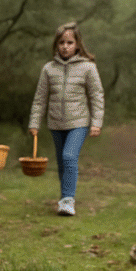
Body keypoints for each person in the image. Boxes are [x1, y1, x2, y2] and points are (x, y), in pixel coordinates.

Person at [28, 22, 104, 217]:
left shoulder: (88, 67)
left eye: (70, 42)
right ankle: (64, 198)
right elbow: (39, 99)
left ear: (77, 45)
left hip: (78, 122)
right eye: (61, 42)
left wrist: (96, 122)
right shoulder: (48, 69)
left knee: (69, 156)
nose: (65, 46)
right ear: (56, 44)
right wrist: (34, 123)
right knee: (62, 162)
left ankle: (68, 200)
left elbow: (96, 96)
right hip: (55, 123)